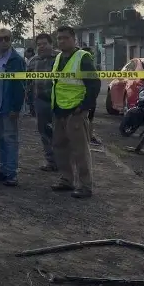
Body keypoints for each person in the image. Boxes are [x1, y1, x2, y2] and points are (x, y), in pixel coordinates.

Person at [49, 26, 100, 199]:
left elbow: (94, 84)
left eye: (65, 38)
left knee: (80, 150)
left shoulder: (83, 58)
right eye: (59, 38)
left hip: (75, 111)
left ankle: (85, 186)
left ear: (74, 39)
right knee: (60, 147)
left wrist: (84, 107)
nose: (61, 41)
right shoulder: (58, 57)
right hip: (59, 110)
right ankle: (66, 180)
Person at [0, 28, 26, 186]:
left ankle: (12, 172)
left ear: (11, 40)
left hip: (8, 106)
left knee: (10, 138)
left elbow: (20, 85)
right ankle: (2, 169)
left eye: (6, 39)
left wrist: (16, 107)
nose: (3, 42)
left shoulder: (16, 59)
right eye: (0, 39)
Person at [26, 33, 58, 171]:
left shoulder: (59, 58)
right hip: (40, 101)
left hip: (59, 102)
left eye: (45, 44)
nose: (42, 47)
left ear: (51, 44)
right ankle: (51, 162)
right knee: (44, 132)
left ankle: (64, 162)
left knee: (60, 133)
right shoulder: (33, 61)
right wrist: (30, 102)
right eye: (39, 44)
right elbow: (28, 82)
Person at [80, 47, 103, 146]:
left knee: (90, 119)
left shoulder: (89, 64)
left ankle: (89, 136)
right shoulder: (83, 63)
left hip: (90, 98)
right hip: (84, 97)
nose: (92, 56)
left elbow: (95, 83)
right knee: (86, 119)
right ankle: (87, 137)